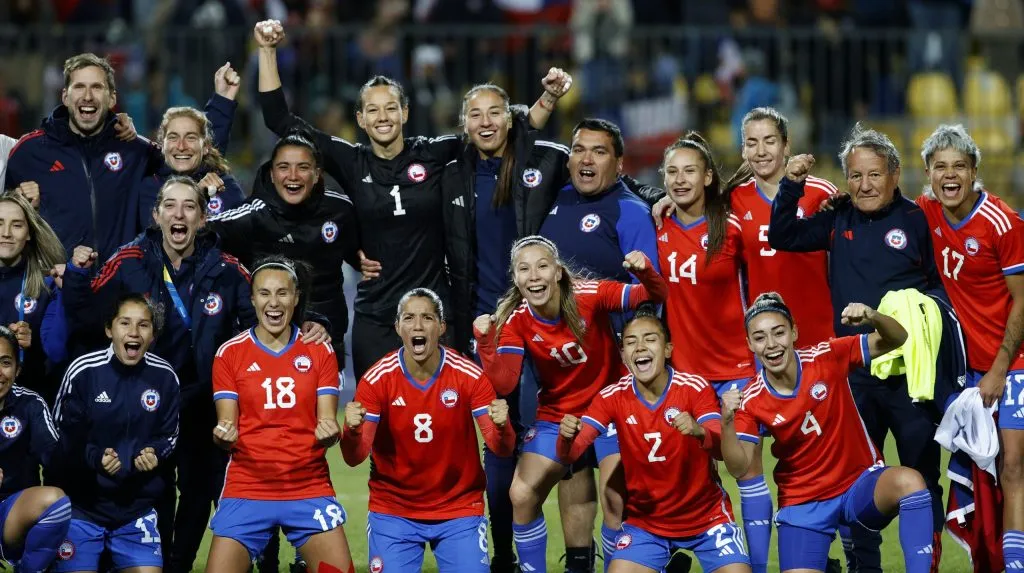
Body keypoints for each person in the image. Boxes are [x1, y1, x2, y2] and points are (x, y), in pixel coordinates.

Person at [254, 19, 571, 381]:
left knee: (444, 420)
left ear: (405, 113)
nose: (382, 117)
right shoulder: (351, 160)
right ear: (360, 119)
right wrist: (266, 50)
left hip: (436, 314)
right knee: (377, 425)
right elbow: (279, 119)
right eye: (372, 110)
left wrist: (548, 98)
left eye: (391, 108)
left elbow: (501, 129)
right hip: (376, 316)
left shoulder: (435, 154)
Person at [59, 176, 266, 573]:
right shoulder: (128, 260)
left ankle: (177, 565)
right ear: (156, 215)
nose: (179, 214)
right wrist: (76, 276)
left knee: (197, 490)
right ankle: (139, 556)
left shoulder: (225, 268)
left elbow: (258, 318)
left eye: (189, 206)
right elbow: (86, 317)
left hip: (204, 400)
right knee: (147, 484)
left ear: (203, 218)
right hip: (142, 398)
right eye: (170, 205)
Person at [767, 125, 946, 571]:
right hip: (854, 379)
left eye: (873, 175)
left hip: (911, 378)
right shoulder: (838, 217)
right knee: (851, 478)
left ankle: (930, 563)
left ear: (894, 174)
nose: (864, 185)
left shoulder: (919, 220)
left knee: (923, 477)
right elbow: (783, 234)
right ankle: (864, 565)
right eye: (855, 176)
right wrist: (791, 184)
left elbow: (942, 289)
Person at [441, 81, 575, 573]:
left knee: (562, 444)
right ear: (463, 124)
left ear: (510, 118)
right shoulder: (452, 170)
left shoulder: (546, 160)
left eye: (495, 112)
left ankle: (585, 553)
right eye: (474, 114)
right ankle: (503, 557)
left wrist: (652, 195)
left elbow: (602, 176)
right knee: (499, 441)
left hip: (544, 326)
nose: (485, 122)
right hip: (487, 329)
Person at [473, 235, 667, 573]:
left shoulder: (589, 296)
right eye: (524, 269)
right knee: (521, 494)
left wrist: (646, 271)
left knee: (614, 500)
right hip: (556, 414)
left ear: (559, 272)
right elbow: (504, 382)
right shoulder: (517, 321)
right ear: (516, 280)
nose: (534, 276)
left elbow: (653, 294)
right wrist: (486, 343)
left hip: (612, 409)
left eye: (542, 266)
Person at [720, 292, 935, 573]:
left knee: (911, 482)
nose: (771, 345)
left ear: (794, 331)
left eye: (779, 333)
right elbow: (739, 468)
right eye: (760, 338)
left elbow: (898, 338)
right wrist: (726, 421)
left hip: (858, 485)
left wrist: (874, 316)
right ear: (750, 344)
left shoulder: (827, 356)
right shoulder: (751, 399)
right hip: (803, 503)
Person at [536, 117, 662, 573]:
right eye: (579, 150)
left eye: (599, 151)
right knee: (573, 466)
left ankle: (628, 557)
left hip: (614, 368)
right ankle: (578, 561)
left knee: (615, 479)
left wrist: (639, 354)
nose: (586, 160)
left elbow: (649, 290)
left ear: (619, 162)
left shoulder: (629, 211)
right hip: (564, 368)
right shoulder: (554, 203)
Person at [556, 303, 752, 573]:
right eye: (631, 342)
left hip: (707, 519)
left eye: (650, 339)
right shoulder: (611, 396)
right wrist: (565, 439)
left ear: (668, 349)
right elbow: (570, 454)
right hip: (647, 524)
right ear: (623, 354)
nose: (640, 347)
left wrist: (699, 432)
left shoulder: (694, 389)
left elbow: (721, 450)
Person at [341, 287, 516, 572]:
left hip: (459, 509)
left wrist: (502, 425)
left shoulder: (468, 375)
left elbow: (501, 448)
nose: (418, 326)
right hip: (394, 512)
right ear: (398, 327)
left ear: (442, 326)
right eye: (409, 318)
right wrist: (350, 431)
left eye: (427, 318)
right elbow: (354, 456)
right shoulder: (377, 380)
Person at [916, 124, 1024, 572]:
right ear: (928, 173)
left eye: (959, 165)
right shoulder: (926, 211)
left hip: (1014, 361)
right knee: (984, 473)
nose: (950, 174)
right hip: (970, 373)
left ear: (974, 170)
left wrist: (1001, 368)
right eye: (940, 166)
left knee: (1015, 464)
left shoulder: (1003, 222)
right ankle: (993, 559)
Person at [207, 256, 354, 573]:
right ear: (252, 299)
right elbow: (226, 424)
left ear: (296, 297)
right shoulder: (230, 354)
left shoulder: (318, 349)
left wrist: (330, 431)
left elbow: (327, 421)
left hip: (307, 484)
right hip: (248, 486)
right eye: (264, 293)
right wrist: (223, 435)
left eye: (282, 293)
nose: (273, 303)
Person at [208, 132, 360, 373]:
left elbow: (364, 256)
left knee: (323, 412)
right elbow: (198, 234)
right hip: (268, 345)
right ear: (271, 173)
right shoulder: (252, 215)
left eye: (303, 167)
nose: (292, 176)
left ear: (317, 173)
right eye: (283, 167)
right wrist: (198, 194)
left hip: (324, 340)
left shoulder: (340, 210)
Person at [50, 293, 180, 573]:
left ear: (153, 334)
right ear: (110, 329)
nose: (134, 332)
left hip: (137, 510)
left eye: (143, 325)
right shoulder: (83, 371)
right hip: (83, 507)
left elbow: (170, 435)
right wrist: (95, 458)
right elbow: (61, 437)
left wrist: (155, 453)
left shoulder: (165, 376)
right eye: (125, 323)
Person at [4, 53, 165, 260]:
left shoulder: (134, 150)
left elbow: (182, 163)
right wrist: (18, 200)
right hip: (56, 287)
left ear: (112, 98)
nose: (87, 96)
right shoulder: (30, 151)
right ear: (65, 96)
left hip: (120, 288)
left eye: (97, 87)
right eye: (79, 87)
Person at [0, 325, 72, 573]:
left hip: (12, 513)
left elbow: (56, 459)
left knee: (56, 500)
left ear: (17, 370)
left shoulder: (30, 403)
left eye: (5, 363)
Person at [137, 63, 246, 223]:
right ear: (162, 145)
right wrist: (196, 196)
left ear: (206, 146)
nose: (181, 146)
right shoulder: (149, 189)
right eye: (173, 137)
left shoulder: (224, 186)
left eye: (190, 138)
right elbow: (159, 241)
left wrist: (222, 100)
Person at [0, 192, 67, 403]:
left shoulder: (47, 285)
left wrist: (34, 345)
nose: (6, 233)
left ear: (29, 232)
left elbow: (56, 356)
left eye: (17, 225)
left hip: (25, 402)